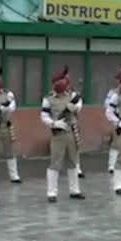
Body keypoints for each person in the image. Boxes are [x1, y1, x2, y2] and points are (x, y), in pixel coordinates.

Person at [40, 68, 85, 202]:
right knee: (55, 162)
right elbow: (44, 115)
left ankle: (75, 190)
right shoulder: (48, 99)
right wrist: (54, 124)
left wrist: (74, 107)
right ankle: (51, 193)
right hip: (58, 133)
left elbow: (79, 107)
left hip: (71, 132)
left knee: (73, 161)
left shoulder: (73, 97)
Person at [0, 69, 21, 183]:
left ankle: (14, 176)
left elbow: (13, 106)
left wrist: (5, 108)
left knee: (10, 151)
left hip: (6, 126)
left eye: (0, 80)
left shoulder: (8, 94)